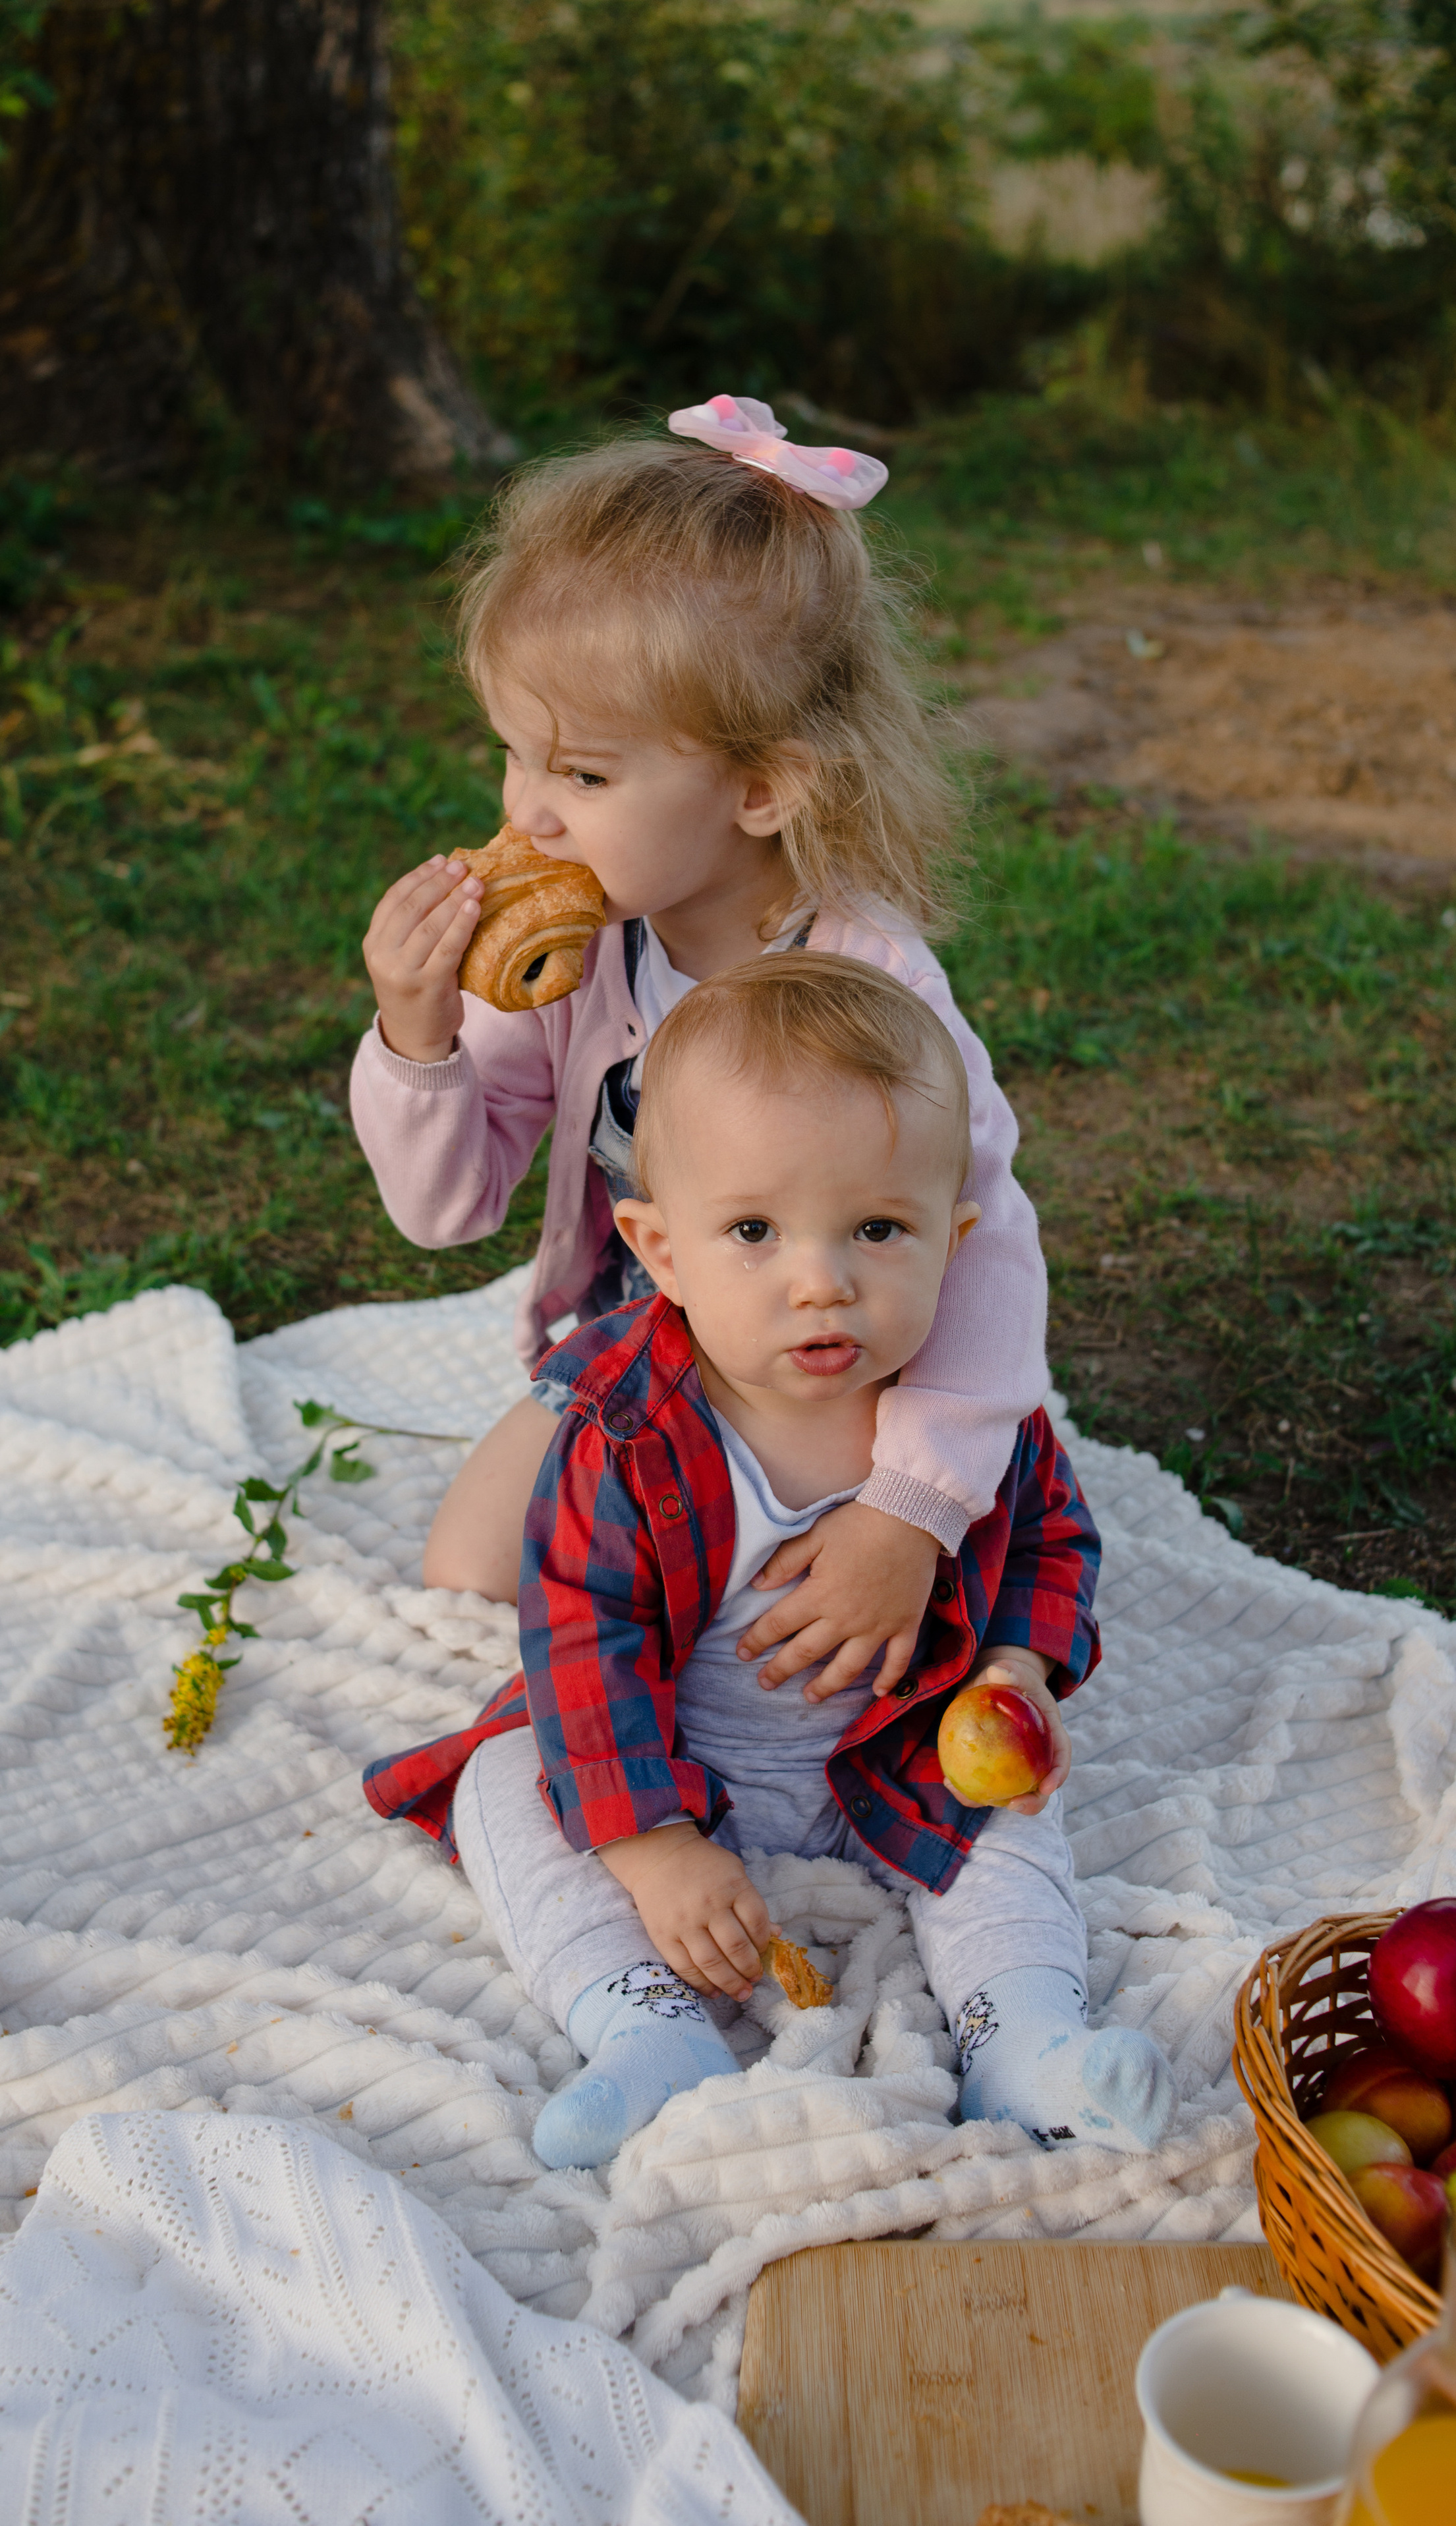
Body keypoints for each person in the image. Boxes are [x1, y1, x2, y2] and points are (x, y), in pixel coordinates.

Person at [364, 956, 1174, 2170]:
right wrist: (651, 1845)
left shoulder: (959, 1416)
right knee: (504, 1779)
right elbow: (584, 1633)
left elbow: (1054, 1540)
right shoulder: (628, 1426)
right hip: (683, 1754)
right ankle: (643, 2024)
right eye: (753, 1231)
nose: (821, 1280)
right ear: (660, 1247)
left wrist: (1020, 1668)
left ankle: (1026, 2039)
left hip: (894, 1751)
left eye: (879, 1229)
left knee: (1012, 1817)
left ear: (955, 1241)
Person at [349, 396, 1045, 1718]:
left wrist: (912, 1508)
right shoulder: (572, 960)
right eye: (515, 755)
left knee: (820, 1642)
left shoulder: (865, 988)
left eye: (586, 777)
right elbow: (445, 1210)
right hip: (639, 1348)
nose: (530, 813)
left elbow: (986, 1243)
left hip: (822, 1353)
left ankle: (986, 1567)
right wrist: (419, 1036)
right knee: (469, 1575)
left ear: (761, 789)